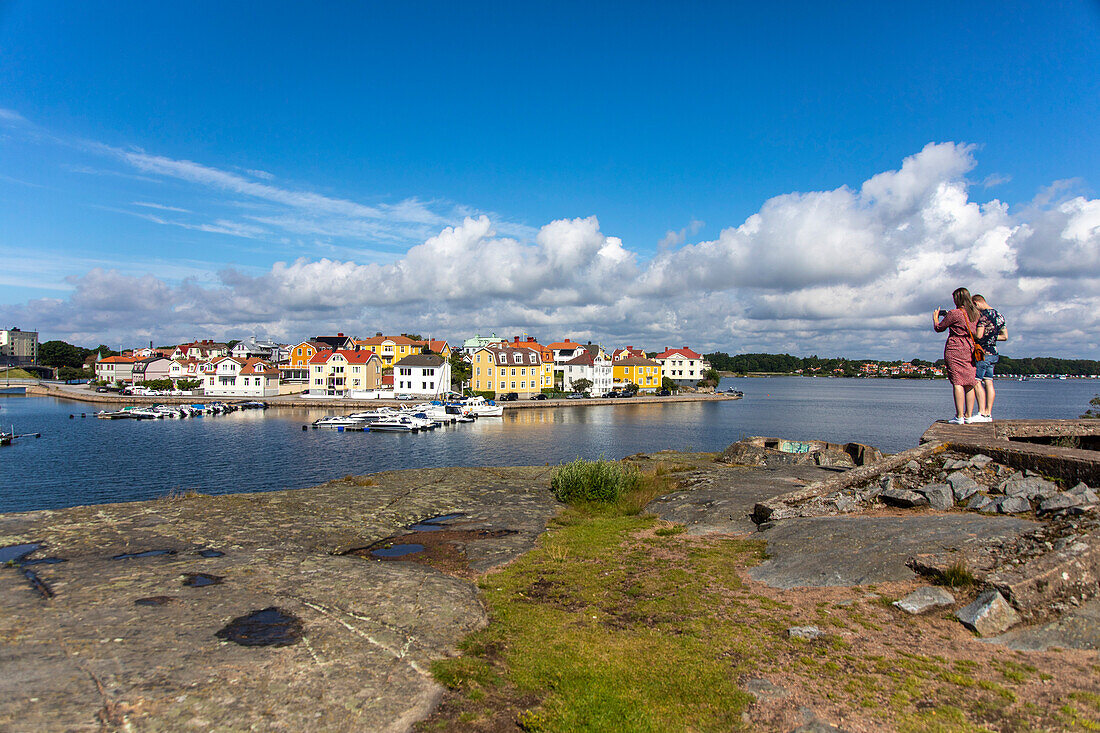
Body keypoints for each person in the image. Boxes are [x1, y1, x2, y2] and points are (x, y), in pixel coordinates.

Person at [933, 287, 980, 424]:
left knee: (958, 382)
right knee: (970, 383)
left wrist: (936, 318)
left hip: (955, 348)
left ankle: (959, 416)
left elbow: (939, 328)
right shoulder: (975, 314)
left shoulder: (954, 313)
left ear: (957, 299)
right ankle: (968, 416)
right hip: (969, 348)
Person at [971, 294, 1007, 422]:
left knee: (976, 381)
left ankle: (981, 412)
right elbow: (1005, 336)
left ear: (976, 303)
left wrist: (972, 335)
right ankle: (988, 413)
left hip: (983, 353)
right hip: (994, 352)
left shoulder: (983, 316)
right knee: (989, 382)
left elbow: (979, 335)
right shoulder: (1000, 316)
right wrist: (991, 335)